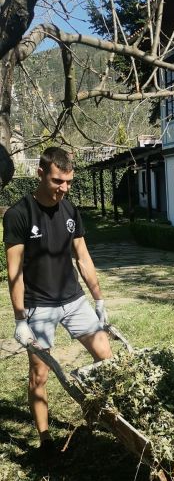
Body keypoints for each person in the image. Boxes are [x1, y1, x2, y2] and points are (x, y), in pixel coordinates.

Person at [3, 146, 112, 455]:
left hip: (74, 300)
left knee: (106, 356)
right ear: (40, 174)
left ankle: (95, 415)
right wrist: (20, 319)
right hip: (38, 305)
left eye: (68, 182)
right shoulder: (18, 215)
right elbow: (15, 273)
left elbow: (84, 258)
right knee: (40, 374)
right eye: (56, 182)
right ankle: (46, 439)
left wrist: (99, 300)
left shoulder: (70, 211)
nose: (63, 189)